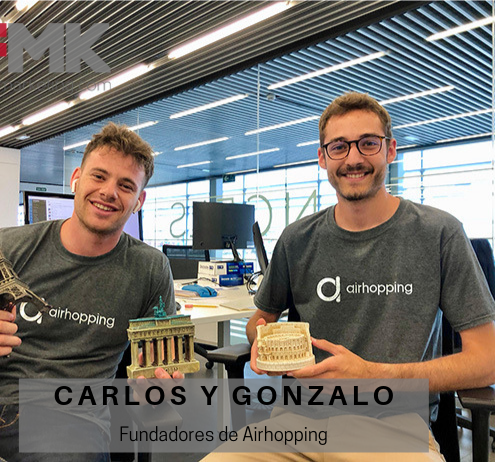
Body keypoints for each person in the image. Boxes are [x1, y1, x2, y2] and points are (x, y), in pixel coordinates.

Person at [206, 92, 495, 461]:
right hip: (296, 423)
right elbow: (259, 322)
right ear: (322, 158)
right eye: (339, 146)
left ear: (390, 150)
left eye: (368, 143)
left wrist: (372, 375)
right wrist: (263, 342)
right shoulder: (297, 239)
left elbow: (486, 359)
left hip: (394, 428)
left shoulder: (439, 233)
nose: (354, 158)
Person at [0, 122, 182, 461]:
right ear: (77, 179)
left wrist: (156, 393)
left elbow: (161, 382)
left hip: (72, 421)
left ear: (139, 201)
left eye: (125, 185)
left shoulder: (150, 268)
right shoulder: (9, 246)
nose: (109, 192)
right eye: (99, 176)